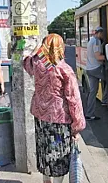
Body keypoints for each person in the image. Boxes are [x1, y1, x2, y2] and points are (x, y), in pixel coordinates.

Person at [23, 34, 86, 183]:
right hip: (59, 121)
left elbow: (26, 62)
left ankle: (46, 180)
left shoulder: (37, 63)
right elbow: (74, 100)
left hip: (40, 117)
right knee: (58, 153)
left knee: (44, 149)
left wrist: (34, 50)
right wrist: (77, 126)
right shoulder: (64, 69)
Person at [85, 26, 107, 121]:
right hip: (96, 68)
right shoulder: (97, 41)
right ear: (99, 33)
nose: (103, 35)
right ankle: (106, 100)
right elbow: (98, 57)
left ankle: (90, 114)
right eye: (103, 34)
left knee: (93, 92)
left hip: (89, 69)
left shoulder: (91, 41)